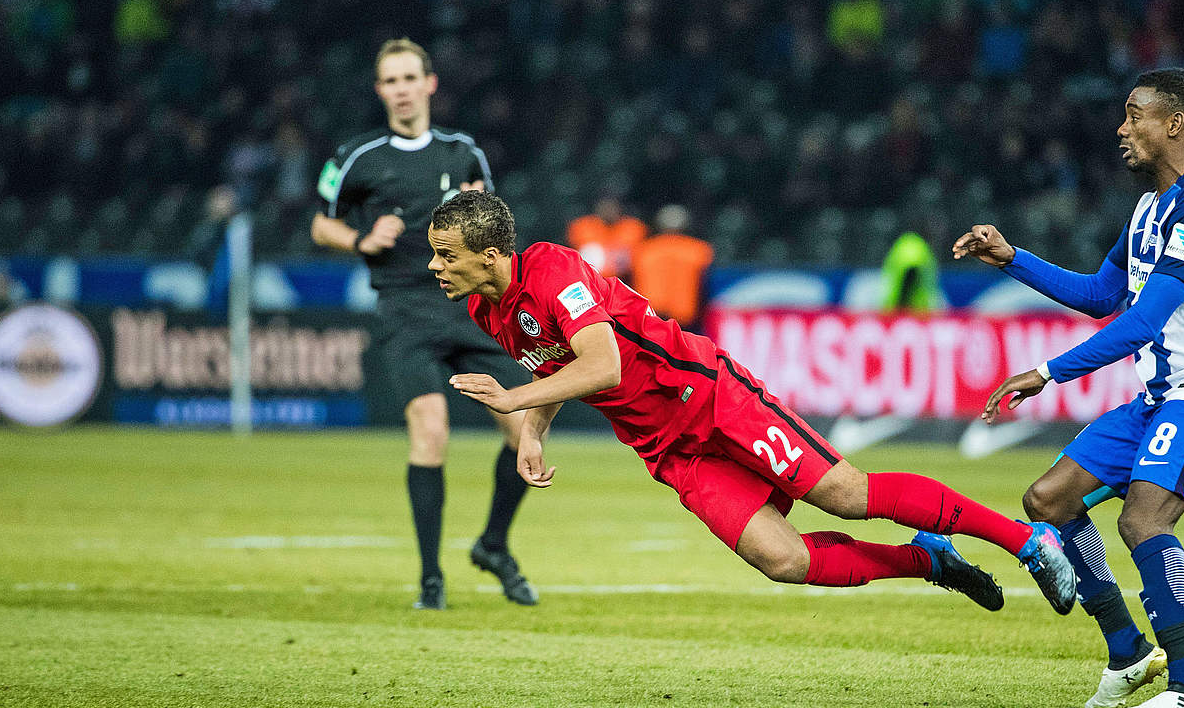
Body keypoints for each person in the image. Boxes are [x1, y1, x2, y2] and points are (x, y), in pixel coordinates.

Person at [425, 189, 1079, 616]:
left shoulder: (553, 271)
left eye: (444, 254)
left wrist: (513, 400)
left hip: (709, 397)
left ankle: (1027, 542)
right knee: (782, 560)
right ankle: (928, 559)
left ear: (490, 254)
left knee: (847, 495)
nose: (435, 266)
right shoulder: (489, 310)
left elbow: (604, 362)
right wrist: (536, 427)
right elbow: (564, 366)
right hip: (670, 450)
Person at [953, 68, 1184, 708]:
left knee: (1143, 520)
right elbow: (1101, 296)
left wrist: (1046, 373)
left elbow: (1143, 321)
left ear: (1173, 123)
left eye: (1134, 114)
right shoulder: (1151, 206)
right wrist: (1013, 258)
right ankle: (1127, 653)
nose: (1122, 129)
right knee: (1049, 500)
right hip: (1161, 395)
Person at [310, 38, 537, 610]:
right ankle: (431, 580)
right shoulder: (358, 156)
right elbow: (320, 225)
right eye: (391, 81)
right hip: (405, 311)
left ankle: (492, 544)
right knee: (431, 431)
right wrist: (361, 239)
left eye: (410, 78)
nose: (402, 89)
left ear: (430, 83)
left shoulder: (464, 154)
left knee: (523, 431)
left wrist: (475, 214)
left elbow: (493, 234)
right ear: (380, 89)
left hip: (470, 310)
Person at [629, 204, 713, 331]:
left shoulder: (643, 251)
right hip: (685, 319)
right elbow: (705, 288)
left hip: (650, 318)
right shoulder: (699, 250)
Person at [566, 194, 648, 279]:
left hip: (625, 280)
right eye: (604, 207)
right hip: (590, 280)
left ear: (620, 209)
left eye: (612, 207)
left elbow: (640, 258)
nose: (608, 211)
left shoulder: (633, 227)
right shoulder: (582, 226)